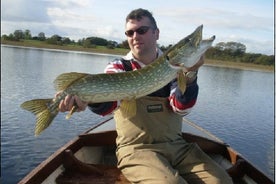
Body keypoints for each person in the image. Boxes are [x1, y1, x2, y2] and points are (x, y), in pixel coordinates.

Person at [57, 8, 233, 184]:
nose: (135, 36)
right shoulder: (118, 67)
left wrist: (190, 74)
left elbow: (181, 108)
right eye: (130, 32)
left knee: (222, 181)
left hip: (176, 146)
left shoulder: (173, 67)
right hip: (136, 149)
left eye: (142, 30)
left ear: (156, 33)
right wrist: (87, 101)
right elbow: (109, 106)